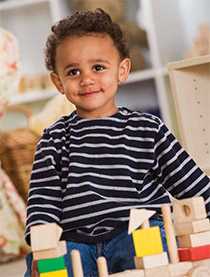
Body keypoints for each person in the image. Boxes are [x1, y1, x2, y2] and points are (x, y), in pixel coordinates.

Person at [25, 9, 210, 277]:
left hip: (136, 231)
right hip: (77, 242)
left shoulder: (148, 128)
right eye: (73, 71)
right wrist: (42, 247)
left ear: (122, 71)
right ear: (58, 83)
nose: (86, 79)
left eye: (98, 67)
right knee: (46, 266)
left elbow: (191, 185)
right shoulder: (53, 138)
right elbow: (43, 202)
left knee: (154, 243)